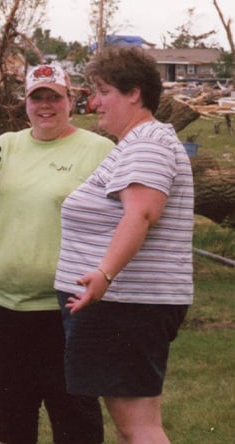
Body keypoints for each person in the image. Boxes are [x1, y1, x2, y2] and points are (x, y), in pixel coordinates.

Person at [0, 62, 114, 444]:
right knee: (11, 411)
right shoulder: (5, 144)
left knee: (72, 408)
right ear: (25, 103)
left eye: (54, 97)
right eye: (36, 97)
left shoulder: (98, 150)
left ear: (70, 101)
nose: (45, 106)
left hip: (66, 306)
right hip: (3, 304)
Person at [54, 46, 194, 444]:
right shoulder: (140, 142)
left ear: (134, 93)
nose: (93, 102)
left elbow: (142, 214)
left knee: (138, 428)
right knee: (134, 427)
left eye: (102, 91)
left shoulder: (147, 144)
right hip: (125, 305)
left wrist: (103, 274)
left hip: (127, 306)